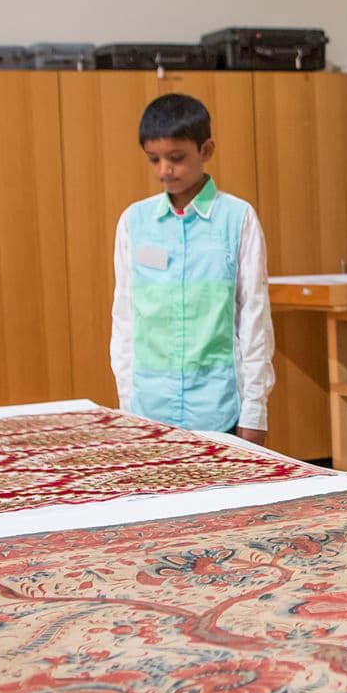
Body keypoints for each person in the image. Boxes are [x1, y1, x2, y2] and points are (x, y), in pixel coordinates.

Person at [110, 93, 274, 445]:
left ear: (206, 150)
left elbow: (254, 319)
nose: (164, 170)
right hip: (148, 408)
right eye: (153, 159)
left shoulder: (237, 218)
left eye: (176, 158)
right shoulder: (133, 222)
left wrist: (255, 410)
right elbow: (124, 319)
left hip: (218, 409)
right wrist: (126, 406)